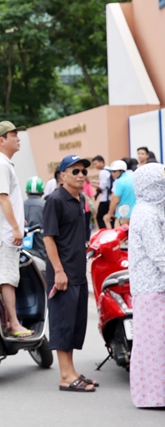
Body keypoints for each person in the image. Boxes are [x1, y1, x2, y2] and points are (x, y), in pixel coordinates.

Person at [43, 154, 97, 392]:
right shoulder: (55, 200)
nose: (80, 175)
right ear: (62, 175)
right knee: (63, 324)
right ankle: (65, 376)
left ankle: (72, 370)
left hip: (77, 272)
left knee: (75, 325)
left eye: (83, 171)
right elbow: (48, 237)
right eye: (74, 171)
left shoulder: (80, 199)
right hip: (62, 275)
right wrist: (58, 271)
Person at [0, 120, 32, 338]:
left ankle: (8, 321)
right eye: (14, 135)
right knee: (7, 279)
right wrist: (15, 228)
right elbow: (3, 198)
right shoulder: (2, 165)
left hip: (1, 232)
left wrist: (18, 221)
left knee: (4, 278)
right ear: (2, 140)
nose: (18, 138)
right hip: (5, 235)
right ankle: (13, 323)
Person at [127, 163, 165, 409]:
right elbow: (159, 254)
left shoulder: (145, 210)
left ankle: (148, 394)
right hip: (154, 287)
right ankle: (155, 396)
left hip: (147, 287)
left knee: (149, 345)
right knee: (156, 347)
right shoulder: (149, 214)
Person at [103, 160, 136, 228]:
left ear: (121, 171)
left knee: (118, 236)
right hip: (135, 214)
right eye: (111, 171)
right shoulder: (132, 178)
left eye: (114, 171)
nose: (112, 173)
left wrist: (109, 214)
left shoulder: (119, 181)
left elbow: (116, 200)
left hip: (123, 215)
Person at [23, 176, 47, 260]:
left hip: (22, 250)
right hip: (41, 251)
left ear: (27, 192)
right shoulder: (46, 205)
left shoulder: (20, 205)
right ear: (42, 192)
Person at [92, 155, 112, 230]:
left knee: (99, 217)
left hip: (105, 199)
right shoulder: (109, 170)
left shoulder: (102, 172)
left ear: (102, 162)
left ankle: (104, 233)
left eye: (96, 163)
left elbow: (102, 187)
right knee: (110, 218)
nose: (95, 166)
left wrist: (92, 185)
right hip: (110, 197)